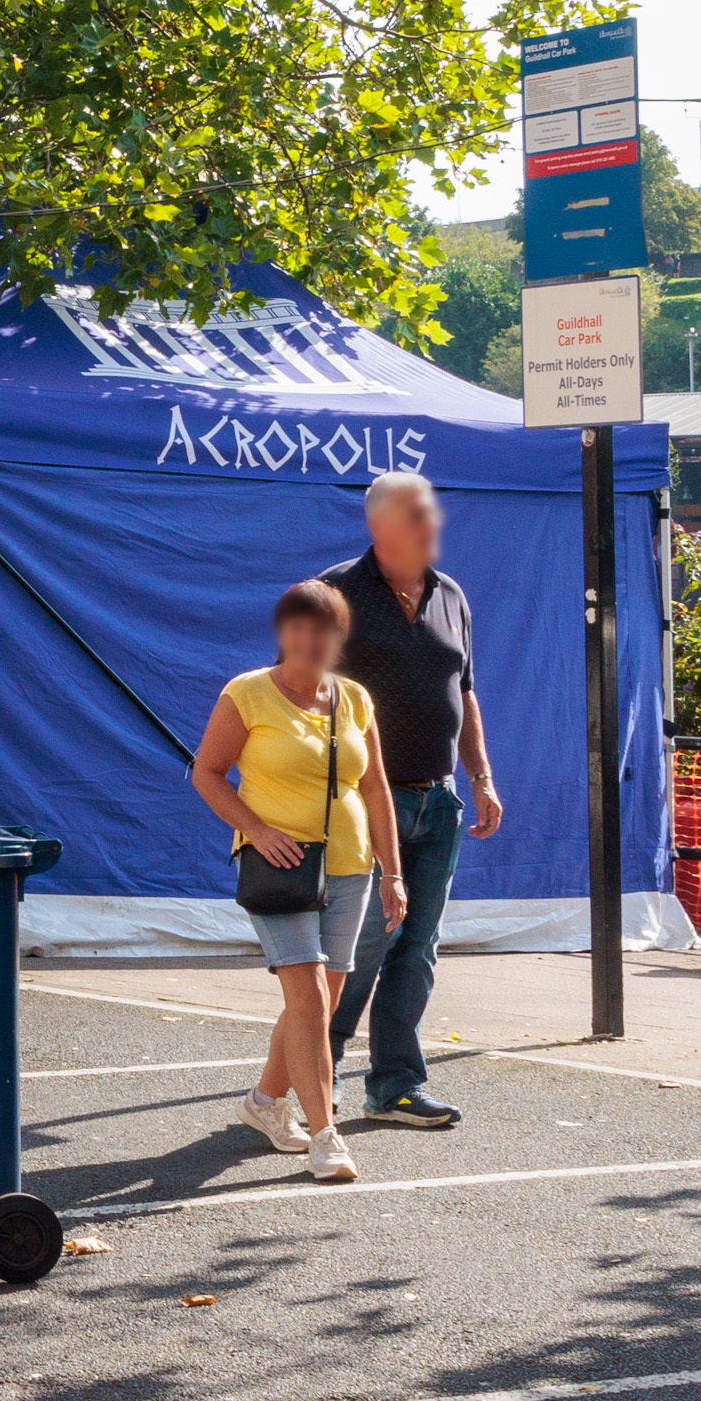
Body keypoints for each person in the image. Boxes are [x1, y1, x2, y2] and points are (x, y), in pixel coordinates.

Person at [194, 575, 401, 1181]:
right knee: (309, 995)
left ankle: (263, 1103)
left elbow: (376, 788)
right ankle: (325, 1134)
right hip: (279, 867)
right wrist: (256, 830)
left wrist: (393, 872)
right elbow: (207, 773)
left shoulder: (356, 699)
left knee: (322, 998)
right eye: (297, 628)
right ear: (283, 633)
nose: (308, 640)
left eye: (322, 629)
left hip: (350, 865)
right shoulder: (248, 694)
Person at [326, 469, 501, 1131]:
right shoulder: (336, 593)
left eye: (433, 513)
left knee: (416, 948)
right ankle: (314, 1074)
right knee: (360, 947)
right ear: (381, 527)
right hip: (366, 803)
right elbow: (305, 695)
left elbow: (465, 691)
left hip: (439, 801)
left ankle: (394, 1084)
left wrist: (480, 776)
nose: (433, 525)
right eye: (418, 515)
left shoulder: (450, 595)